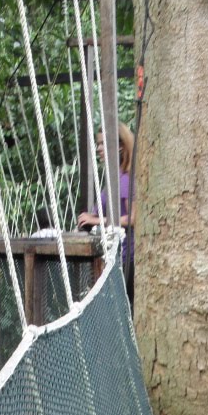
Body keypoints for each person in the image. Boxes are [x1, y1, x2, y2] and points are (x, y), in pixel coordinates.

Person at [77, 122, 135, 304]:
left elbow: (133, 218)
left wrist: (96, 221)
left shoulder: (125, 179)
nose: (99, 148)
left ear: (119, 146)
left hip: (126, 259)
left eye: (103, 144)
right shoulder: (115, 177)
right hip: (112, 256)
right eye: (98, 144)